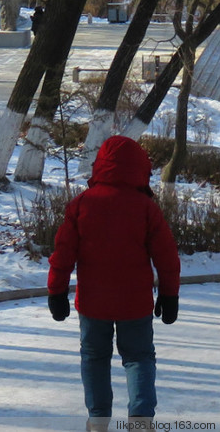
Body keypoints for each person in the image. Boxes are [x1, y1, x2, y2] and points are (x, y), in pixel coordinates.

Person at [47, 135, 180, 432]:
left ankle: (97, 421)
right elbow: (167, 256)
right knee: (139, 358)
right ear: (138, 168)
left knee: (94, 358)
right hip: (135, 303)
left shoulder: (82, 204)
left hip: (93, 302)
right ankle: (141, 420)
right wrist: (170, 295)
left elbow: (63, 253)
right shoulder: (146, 208)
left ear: (101, 166)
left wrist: (56, 290)